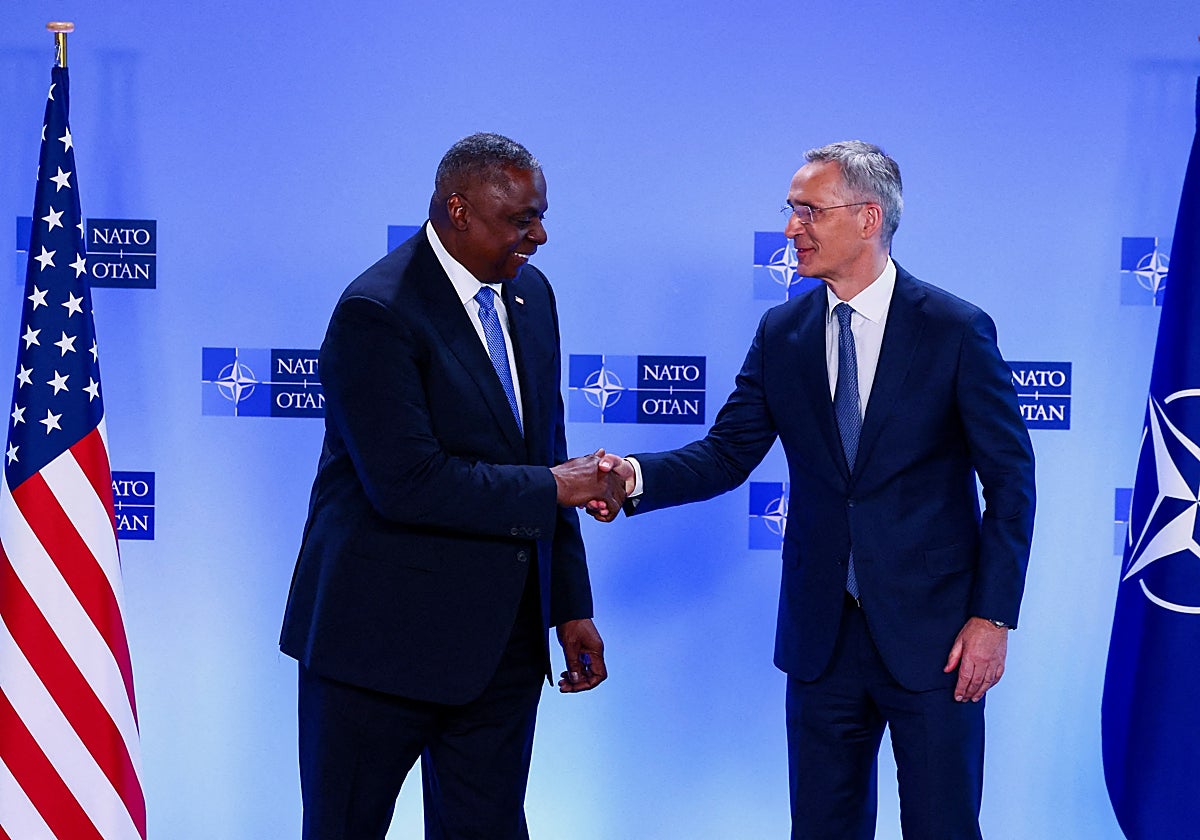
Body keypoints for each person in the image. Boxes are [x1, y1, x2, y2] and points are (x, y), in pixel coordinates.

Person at [594, 140, 1035, 839]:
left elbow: (1010, 483)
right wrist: (635, 478)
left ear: (867, 218)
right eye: (790, 210)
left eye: (808, 210)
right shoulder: (783, 332)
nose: (791, 228)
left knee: (943, 826)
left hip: (937, 636)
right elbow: (726, 453)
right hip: (821, 639)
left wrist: (993, 619)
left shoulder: (954, 329)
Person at [279, 132, 625, 840]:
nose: (540, 234)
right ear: (457, 209)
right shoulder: (376, 311)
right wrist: (553, 487)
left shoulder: (532, 296)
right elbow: (407, 483)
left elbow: (546, 451)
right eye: (520, 220)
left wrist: (569, 604)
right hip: (376, 649)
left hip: (500, 650)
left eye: (541, 214)